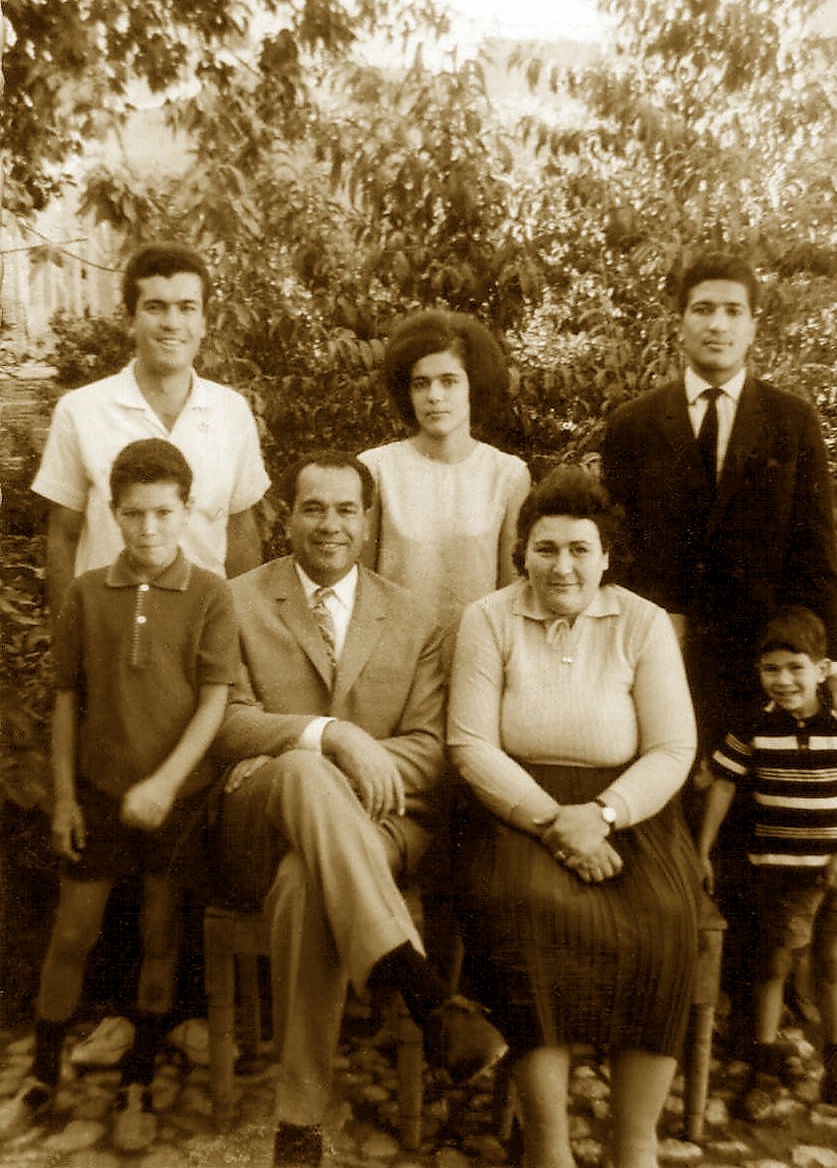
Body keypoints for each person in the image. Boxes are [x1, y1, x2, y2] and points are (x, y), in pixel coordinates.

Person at [210, 450, 506, 1167]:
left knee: (307, 879)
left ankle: (299, 1124)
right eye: (314, 507)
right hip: (260, 811)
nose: (330, 524)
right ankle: (420, 984)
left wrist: (344, 764)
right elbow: (227, 723)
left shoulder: (417, 617)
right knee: (304, 770)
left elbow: (432, 750)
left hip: (381, 826)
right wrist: (335, 738)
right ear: (287, 517)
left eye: (346, 509)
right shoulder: (237, 600)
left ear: (368, 521)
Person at [448, 465, 701, 1168]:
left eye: (579, 549)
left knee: (666, 918)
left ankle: (633, 1144)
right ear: (522, 551)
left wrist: (605, 812)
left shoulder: (643, 624)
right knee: (526, 908)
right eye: (546, 548)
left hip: (629, 814)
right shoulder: (487, 619)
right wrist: (554, 821)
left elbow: (674, 745)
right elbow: (469, 744)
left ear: (606, 555)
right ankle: (549, 1149)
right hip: (515, 811)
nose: (562, 567)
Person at [0, 439, 240, 1151]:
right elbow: (69, 697)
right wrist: (67, 796)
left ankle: (138, 1079)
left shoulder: (210, 593)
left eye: (163, 513)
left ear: (185, 511)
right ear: (114, 511)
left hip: (180, 795)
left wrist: (167, 783)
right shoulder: (86, 592)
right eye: (133, 514)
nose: (148, 530)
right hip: (102, 794)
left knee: (160, 935)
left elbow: (215, 700)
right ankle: (43, 1074)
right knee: (73, 933)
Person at [601, 250, 837, 771]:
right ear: (678, 324)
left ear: (752, 327)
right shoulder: (634, 424)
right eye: (702, 309)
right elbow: (618, 554)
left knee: (753, 822)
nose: (717, 324)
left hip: (763, 664)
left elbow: (817, 557)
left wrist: (833, 666)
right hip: (656, 661)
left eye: (732, 310)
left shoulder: (791, 422)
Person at [697, 606, 837, 1128]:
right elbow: (724, 786)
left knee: (828, 966)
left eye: (796, 667)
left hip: (832, 877)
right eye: (771, 669)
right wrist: (703, 849)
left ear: (822, 669)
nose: (783, 680)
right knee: (773, 966)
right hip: (779, 875)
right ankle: (765, 1064)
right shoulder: (754, 726)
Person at [32, 241, 269, 615]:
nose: (172, 323)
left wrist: (243, 638)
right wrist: (69, 642)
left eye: (187, 308)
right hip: (109, 634)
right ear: (131, 319)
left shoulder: (232, 412)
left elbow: (241, 534)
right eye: (155, 307)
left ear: (204, 321)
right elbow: (62, 536)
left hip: (203, 637)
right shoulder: (80, 411)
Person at [359, 308, 530, 658]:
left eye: (449, 381)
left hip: (477, 657)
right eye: (421, 383)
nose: (434, 395)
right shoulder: (376, 469)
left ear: (474, 384)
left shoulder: (508, 474)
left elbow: (511, 592)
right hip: (391, 660)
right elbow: (359, 586)